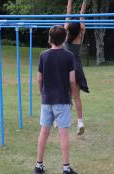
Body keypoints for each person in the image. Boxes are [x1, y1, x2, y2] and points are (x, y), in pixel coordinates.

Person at [34, 25, 77, 174]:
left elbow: (39, 79)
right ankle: (66, 168)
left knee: (43, 132)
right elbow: (72, 81)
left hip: (47, 99)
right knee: (63, 133)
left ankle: (38, 166)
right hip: (63, 100)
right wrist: (71, 97)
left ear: (50, 38)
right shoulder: (68, 56)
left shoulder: (43, 55)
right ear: (64, 38)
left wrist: (42, 92)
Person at [64, 0, 89, 135]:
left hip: (65, 67)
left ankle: (65, 119)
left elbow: (68, 14)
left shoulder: (65, 32)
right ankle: (80, 122)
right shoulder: (81, 33)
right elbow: (81, 15)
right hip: (77, 67)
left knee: (65, 96)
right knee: (76, 97)